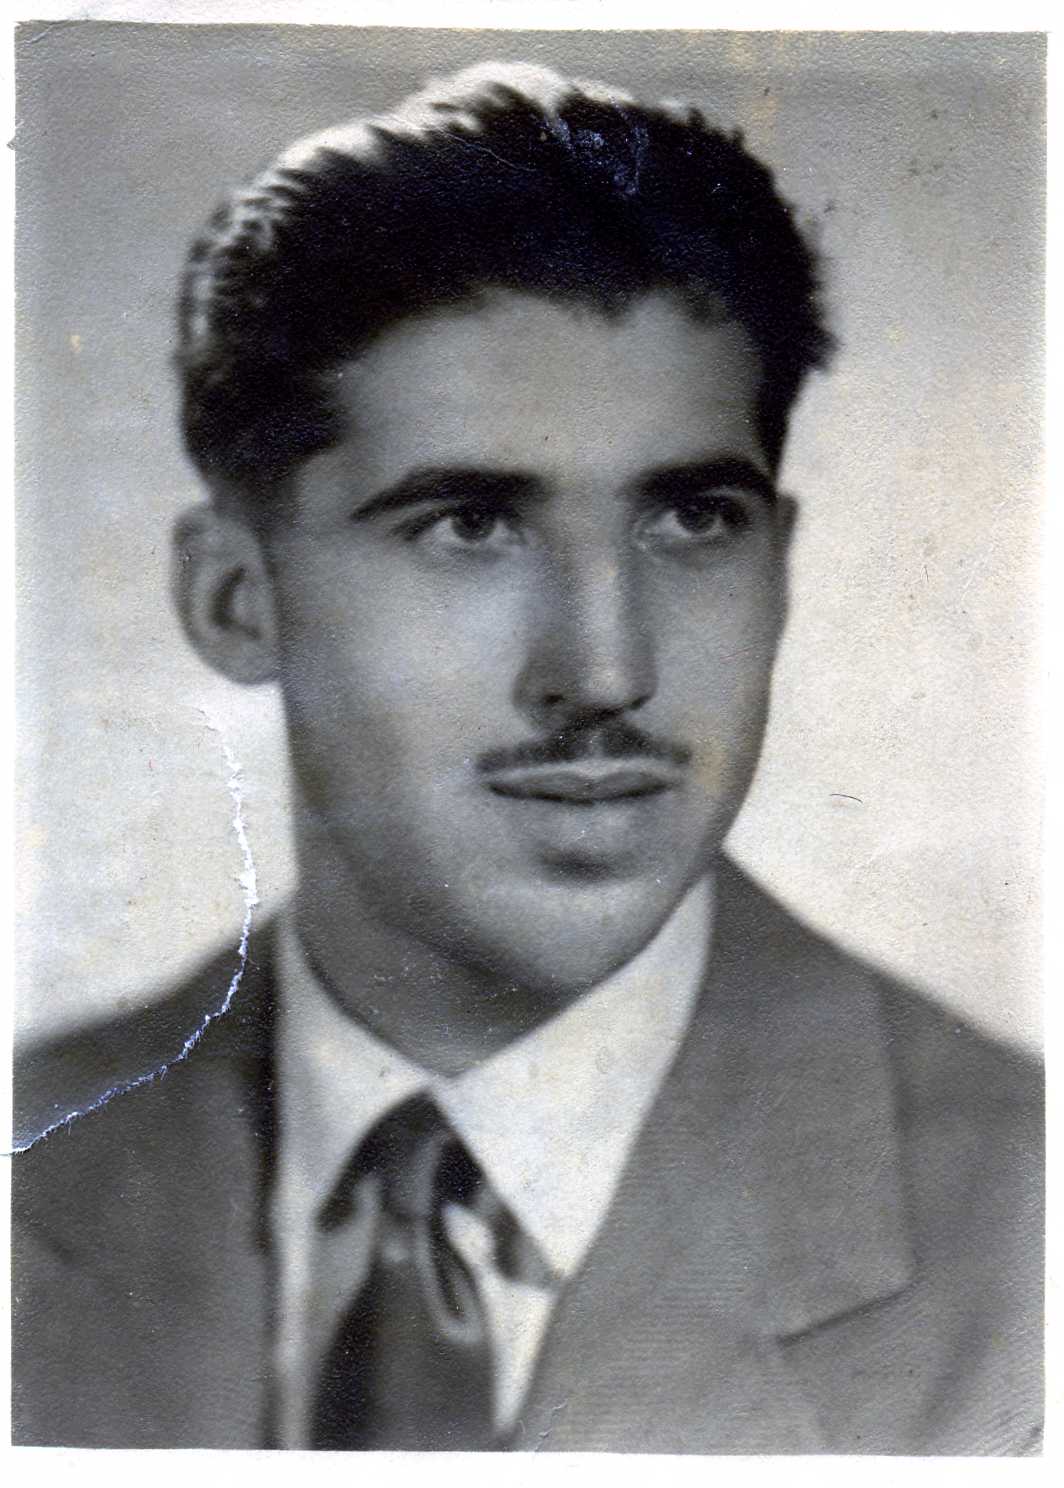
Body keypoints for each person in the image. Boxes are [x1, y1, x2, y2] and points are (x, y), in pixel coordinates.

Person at [12, 62, 1042, 1453]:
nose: (606, 672)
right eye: (469, 525)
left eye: (694, 520)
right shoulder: (36, 1153)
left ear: (782, 566)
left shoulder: (1025, 1232)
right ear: (235, 600)